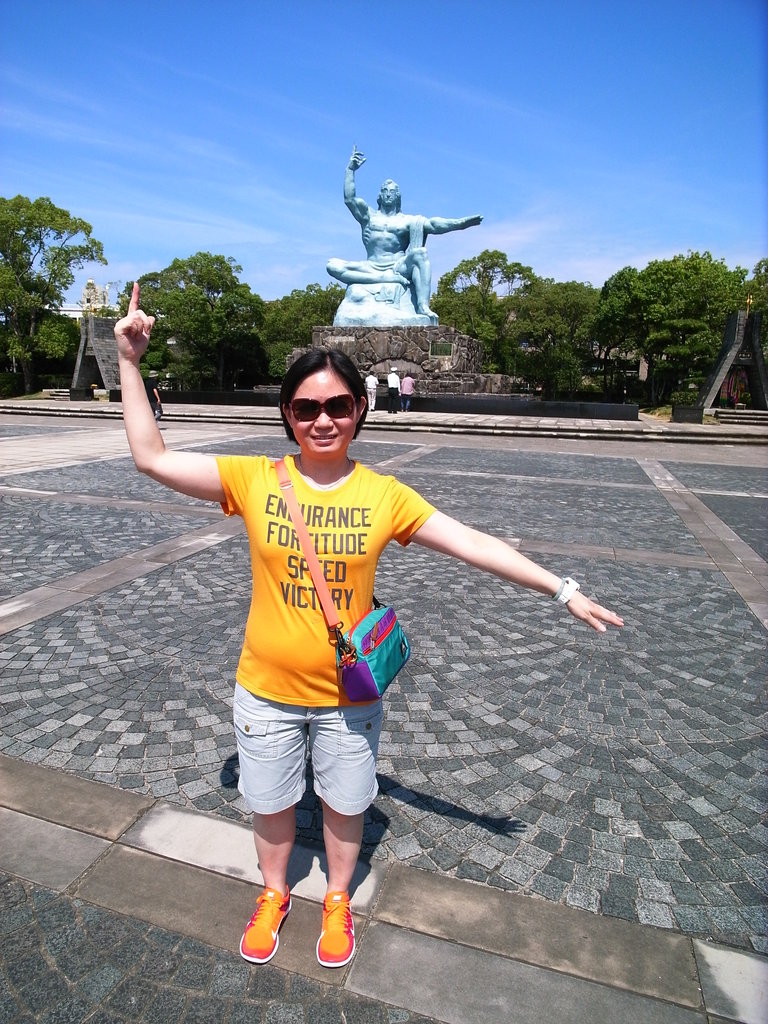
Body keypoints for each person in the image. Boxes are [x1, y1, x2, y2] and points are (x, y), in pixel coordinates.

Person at [114, 284, 623, 972]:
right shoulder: (254, 479)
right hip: (265, 688)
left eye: (337, 406)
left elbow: (471, 542)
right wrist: (130, 362)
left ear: (359, 409)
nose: (322, 419)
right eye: (306, 408)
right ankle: (274, 893)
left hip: (348, 696)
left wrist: (562, 589)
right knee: (270, 805)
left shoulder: (385, 494)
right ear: (288, 415)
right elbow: (151, 458)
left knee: (346, 804)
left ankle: (337, 899)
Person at [327, 147, 482, 322]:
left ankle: (423, 306)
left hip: (397, 266)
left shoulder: (408, 221)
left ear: (398, 196)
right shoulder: (368, 217)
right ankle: (383, 278)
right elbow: (350, 199)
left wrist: (460, 224)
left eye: (392, 191)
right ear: (379, 195)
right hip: (371, 266)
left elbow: (434, 224)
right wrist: (350, 170)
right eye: (384, 191)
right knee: (332, 265)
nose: (388, 194)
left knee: (420, 254)